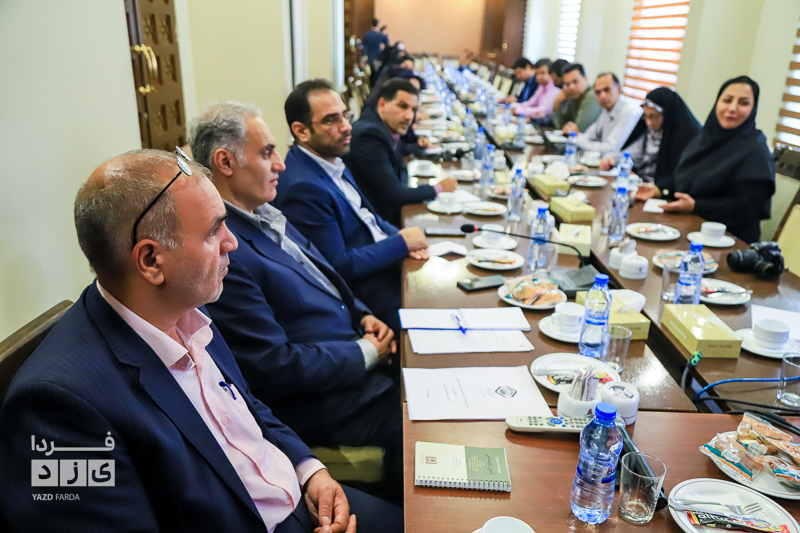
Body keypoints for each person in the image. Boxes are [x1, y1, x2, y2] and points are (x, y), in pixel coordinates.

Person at [0, 149, 403, 533]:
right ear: (151, 261)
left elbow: (246, 406)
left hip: (300, 496)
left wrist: (308, 469)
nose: (233, 242)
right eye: (214, 230)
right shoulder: (56, 410)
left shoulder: (185, 309)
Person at [188, 102, 404, 498]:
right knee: (427, 433)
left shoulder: (264, 212)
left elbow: (326, 277)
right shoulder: (227, 250)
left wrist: (362, 315)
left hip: (352, 358)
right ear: (225, 162)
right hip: (327, 404)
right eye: (267, 153)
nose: (281, 165)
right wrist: (366, 352)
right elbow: (274, 365)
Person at [275, 79, 429, 333]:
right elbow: (339, 266)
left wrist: (403, 237)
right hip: (370, 294)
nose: (347, 127)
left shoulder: (330, 159)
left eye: (345, 116)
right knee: (443, 313)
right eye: (331, 120)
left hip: (388, 265)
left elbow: (370, 217)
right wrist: (402, 243)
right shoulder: (303, 188)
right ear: (301, 131)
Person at [662, 76, 775, 244]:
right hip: (691, 227)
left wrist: (696, 206)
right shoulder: (704, 139)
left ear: (753, 109)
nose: (732, 108)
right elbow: (686, 178)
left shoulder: (755, 150)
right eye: (727, 100)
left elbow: (747, 207)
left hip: (730, 241)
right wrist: (658, 190)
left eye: (743, 103)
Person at [343, 79, 457, 226]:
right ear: (382, 105)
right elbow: (395, 194)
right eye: (402, 106)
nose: (409, 116)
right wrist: (439, 188)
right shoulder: (369, 135)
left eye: (413, 110)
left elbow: (400, 164)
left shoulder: (385, 125)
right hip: (376, 222)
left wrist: (418, 147)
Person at [599, 87, 701, 200]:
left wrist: (659, 189)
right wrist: (613, 158)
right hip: (642, 189)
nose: (648, 123)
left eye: (653, 116)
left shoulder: (688, 136)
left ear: (667, 114)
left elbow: (682, 179)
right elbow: (634, 153)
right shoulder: (652, 130)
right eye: (646, 116)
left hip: (667, 197)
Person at [565, 73, 642, 157]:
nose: (602, 96)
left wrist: (577, 139)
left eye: (607, 90)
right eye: (598, 92)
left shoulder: (629, 110)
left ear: (619, 89)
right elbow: (589, 136)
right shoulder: (607, 109)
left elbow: (609, 149)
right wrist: (576, 135)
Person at [552, 63, 603, 133]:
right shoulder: (573, 97)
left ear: (586, 79)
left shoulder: (592, 96)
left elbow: (579, 130)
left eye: (575, 82)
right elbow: (561, 126)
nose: (571, 87)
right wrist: (556, 104)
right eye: (567, 84)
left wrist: (569, 129)